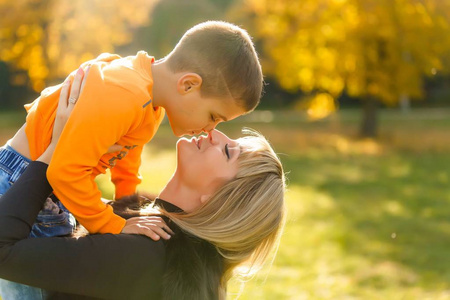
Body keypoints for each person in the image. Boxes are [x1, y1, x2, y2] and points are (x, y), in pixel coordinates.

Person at [0, 69, 285, 299]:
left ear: (219, 199)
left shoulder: (145, 256)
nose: (216, 135)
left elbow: (3, 251)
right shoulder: (155, 230)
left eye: (227, 152)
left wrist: (54, 152)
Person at [0, 20, 263, 238]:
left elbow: (126, 162)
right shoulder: (124, 93)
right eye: (213, 116)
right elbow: (64, 172)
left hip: (48, 185)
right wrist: (115, 225)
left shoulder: (151, 103)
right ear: (188, 85)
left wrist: (127, 207)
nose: (210, 130)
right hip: (22, 179)